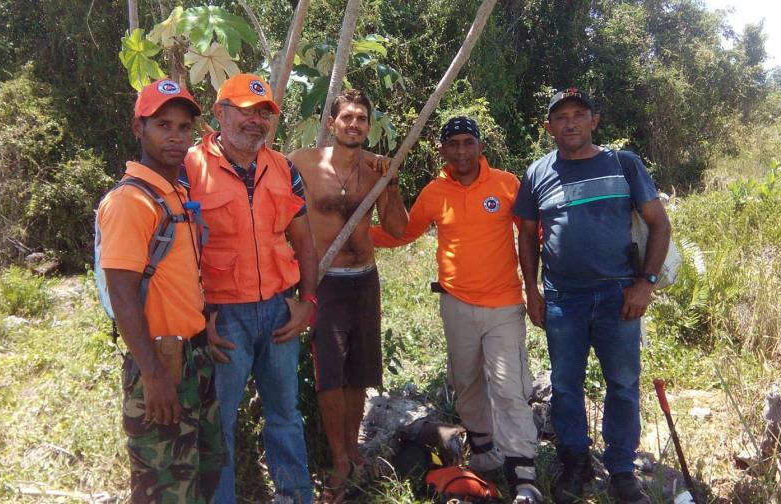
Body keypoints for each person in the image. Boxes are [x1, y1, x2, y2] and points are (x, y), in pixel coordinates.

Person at [371, 117, 542, 503]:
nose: (462, 151)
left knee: (509, 388)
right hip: (457, 304)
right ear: (443, 151)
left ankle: (523, 474)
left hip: (504, 305)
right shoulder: (435, 191)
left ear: (481, 146)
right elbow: (404, 232)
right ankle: (484, 451)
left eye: (469, 143)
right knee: (465, 381)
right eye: (454, 145)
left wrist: (538, 286)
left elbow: (533, 234)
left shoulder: (506, 184)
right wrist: (352, 235)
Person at [513, 87, 671, 503]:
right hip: (563, 298)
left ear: (594, 120)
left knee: (622, 383)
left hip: (619, 294)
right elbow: (527, 235)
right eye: (561, 116)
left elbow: (659, 224)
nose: (570, 122)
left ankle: (621, 468)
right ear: (549, 127)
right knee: (566, 385)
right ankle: (575, 463)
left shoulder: (623, 163)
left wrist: (645, 283)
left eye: (579, 114)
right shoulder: (537, 173)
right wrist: (531, 288)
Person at [184, 74, 318, 504]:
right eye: (246, 110)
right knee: (217, 422)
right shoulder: (189, 167)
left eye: (264, 113)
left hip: (279, 311)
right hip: (223, 318)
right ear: (219, 113)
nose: (256, 121)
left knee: (284, 415)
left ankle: (295, 496)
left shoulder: (283, 167)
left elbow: (304, 241)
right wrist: (199, 316)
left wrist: (307, 303)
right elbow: (174, 253)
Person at [96, 78, 225, 502]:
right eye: (162, 125)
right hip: (159, 361)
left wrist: (203, 324)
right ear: (139, 129)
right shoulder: (131, 201)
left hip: (193, 356)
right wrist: (152, 375)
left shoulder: (176, 193)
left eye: (183, 127)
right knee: (163, 485)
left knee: (199, 476)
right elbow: (122, 292)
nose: (175, 136)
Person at [287, 89, 408, 503]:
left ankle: (353, 450)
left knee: (359, 371)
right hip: (326, 280)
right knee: (330, 376)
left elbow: (396, 228)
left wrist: (390, 183)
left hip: (365, 278)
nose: (354, 124)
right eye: (347, 117)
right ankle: (339, 459)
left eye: (361, 119)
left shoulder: (377, 169)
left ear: (368, 126)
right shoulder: (302, 163)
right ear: (332, 122)